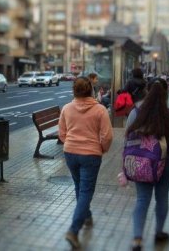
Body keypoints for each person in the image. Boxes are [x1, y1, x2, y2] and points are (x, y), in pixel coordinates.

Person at [125, 78, 169, 251]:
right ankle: (159, 232)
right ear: (167, 93)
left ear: (147, 92)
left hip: (141, 162)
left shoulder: (136, 112)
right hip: (165, 165)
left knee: (142, 199)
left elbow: (128, 142)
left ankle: (137, 238)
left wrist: (127, 166)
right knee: (162, 198)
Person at [59, 77, 113, 249]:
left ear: (74, 91)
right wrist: (102, 149)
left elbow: (62, 132)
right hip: (91, 154)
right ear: (90, 90)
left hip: (70, 153)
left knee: (79, 186)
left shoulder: (67, 108)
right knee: (86, 191)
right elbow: (107, 136)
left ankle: (87, 215)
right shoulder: (100, 109)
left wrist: (70, 143)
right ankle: (73, 230)